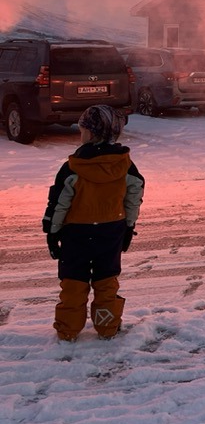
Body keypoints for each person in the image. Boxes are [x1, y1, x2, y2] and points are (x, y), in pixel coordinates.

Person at [42, 105, 145, 342]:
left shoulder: (73, 167)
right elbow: (133, 198)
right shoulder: (125, 165)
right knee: (106, 279)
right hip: (111, 230)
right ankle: (107, 326)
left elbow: (59, 203)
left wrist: (52, 231)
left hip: (75, 232)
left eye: (83, 129)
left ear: (90, 132)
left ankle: (68, 329)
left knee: (74, 281)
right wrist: (128, 227)